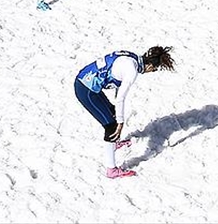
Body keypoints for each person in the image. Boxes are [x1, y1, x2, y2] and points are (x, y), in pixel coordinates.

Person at [74, 47, 175, 178]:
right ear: (149, 65)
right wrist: (120, 123)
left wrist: (118, 114)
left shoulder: (132, 58)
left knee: (112, 113)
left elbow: (117, 86)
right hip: (85, 89)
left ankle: (114, 143)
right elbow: (121, 97)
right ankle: (111, 170)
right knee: (111, 127)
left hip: (86, 82)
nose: (152, 71)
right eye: (154, 69)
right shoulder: (132, 70)